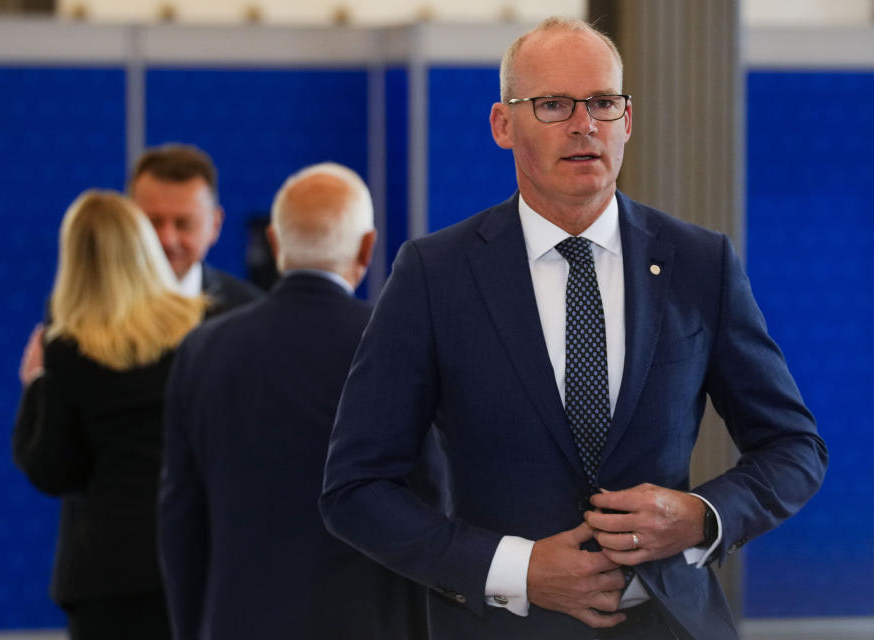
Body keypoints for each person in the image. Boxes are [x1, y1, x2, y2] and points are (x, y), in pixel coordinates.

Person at [320, 17, 827, 640]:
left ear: (627, 121)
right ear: (503, 125)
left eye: (603, 103)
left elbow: (795, 448)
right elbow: (355, 489)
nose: (584, 124)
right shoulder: (434, 274)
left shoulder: (701, 263)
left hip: (673, 624)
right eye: (553, 104)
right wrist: (519, 569)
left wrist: (701, 515)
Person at [158, 162, 433, 639]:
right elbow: (432, 507)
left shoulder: (202, 352)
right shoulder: (399, 343)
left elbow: (180, 523)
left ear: (275, 241)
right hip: (370, 626)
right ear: (367, 247)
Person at [12, 191, 206, 640]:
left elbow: (53, 470)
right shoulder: (202, 329)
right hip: (193, 551)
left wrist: (36, 387)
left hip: (105, 572)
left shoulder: (65, 349)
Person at [129, 143, 264, 314]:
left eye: (184, 224)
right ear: (127, 222)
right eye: (152, 223)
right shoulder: (92, 308)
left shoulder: (250, 313)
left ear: (215, 225)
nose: (167, 240)